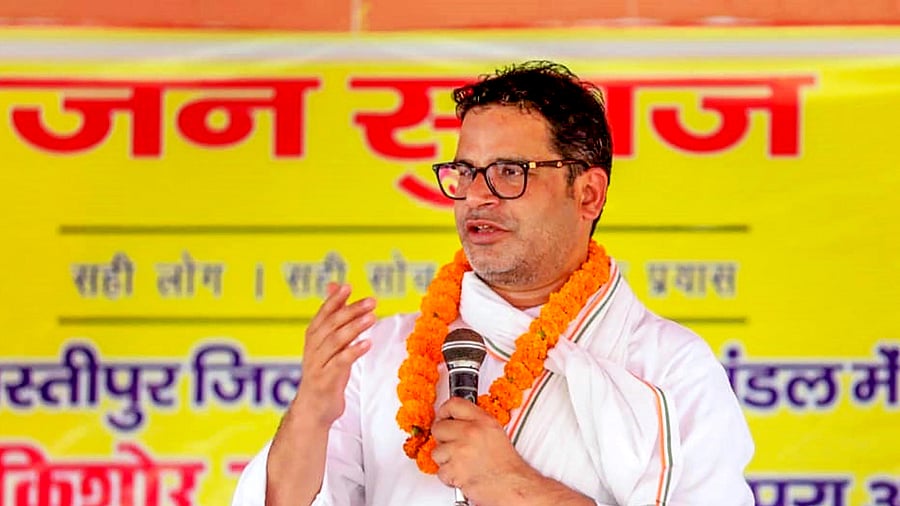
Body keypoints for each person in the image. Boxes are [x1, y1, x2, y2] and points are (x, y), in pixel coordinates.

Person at [232, 61, 755, 506]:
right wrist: (311, 413)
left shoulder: (670, 368)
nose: (478, 195)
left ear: (588, 194)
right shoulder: (380, 356)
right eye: (465, 171)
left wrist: (513, 486)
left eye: (509, 172)